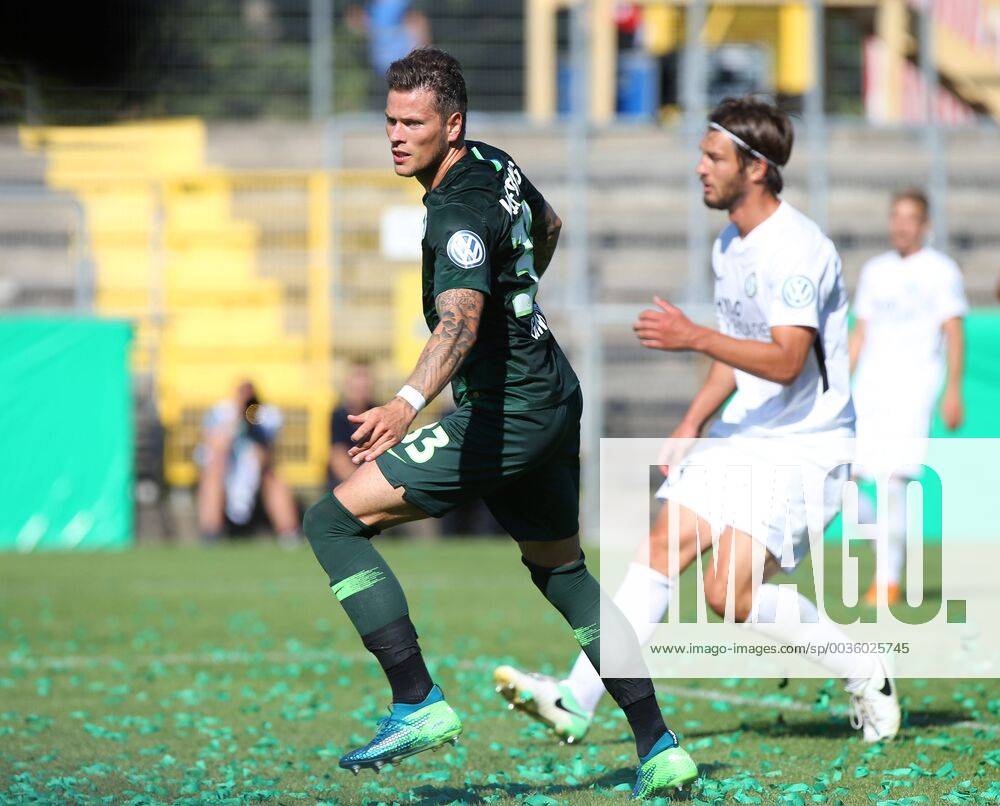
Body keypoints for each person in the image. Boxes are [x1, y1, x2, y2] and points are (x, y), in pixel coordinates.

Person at [301, 47, 697, 797]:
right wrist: (521, 287)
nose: (395, 134)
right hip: (552, 396)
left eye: (412, 122)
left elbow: (460, 319)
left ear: (452, 125)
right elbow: (549, 223)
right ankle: (661, 747)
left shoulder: (454, 211)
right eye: (389, 119)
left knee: (330, 521)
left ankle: (415, 700)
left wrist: (406, 402)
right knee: (564, 573)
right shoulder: (495, 162)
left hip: (507, 414)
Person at [494, 97, 901, 746]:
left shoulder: (796, 249)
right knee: (660, 548)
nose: (699, 168)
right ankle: (576, 698)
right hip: (749, 431)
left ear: (758, 168)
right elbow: (739, 354)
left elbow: (788, 360)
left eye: (713, 157)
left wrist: (693, 337)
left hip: (807, 448)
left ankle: (864, 670)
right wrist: (690, 422)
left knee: (726, 595)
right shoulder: (728, 243)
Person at [849, 189, 967, 605]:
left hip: (914, 388)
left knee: (893, 481)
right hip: (869, 387)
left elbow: (953, 330)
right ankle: (884, 549)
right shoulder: (875, 270)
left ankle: (889, 579)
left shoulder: (941, 270)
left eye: (910, 218)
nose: (901, 225)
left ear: (925, 224)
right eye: (895, 217)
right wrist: (839, 386)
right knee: (844, 481)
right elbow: (860, 333)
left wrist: (953, 388)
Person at [196, 380, 300, 544]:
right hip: (226, 469)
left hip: (255, 473)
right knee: (214, 473)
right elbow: (216, 447)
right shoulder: (221, 412)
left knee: (274, 477)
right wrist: (237, 420)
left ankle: (289, 534)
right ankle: (211, 532)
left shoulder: (267, 415)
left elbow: (268, 453)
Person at [329, 359, 378, 486]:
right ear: (347, 382)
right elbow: (338, 460)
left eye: (366, 376)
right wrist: (364, 486)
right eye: (358, 376)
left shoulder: (378, 413)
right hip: (349, 484)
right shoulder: (338, 416)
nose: (362, 383)